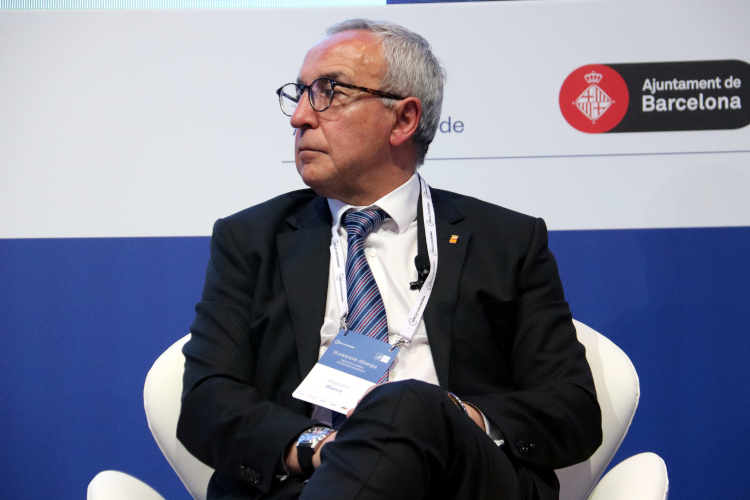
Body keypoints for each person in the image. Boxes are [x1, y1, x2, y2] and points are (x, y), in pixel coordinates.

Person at [177, 19, 602, 500]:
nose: (299, 117)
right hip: (308, 482)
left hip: (460, 483)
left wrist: (455, 418)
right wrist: (322, 446)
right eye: (298, 94)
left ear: (402, 120)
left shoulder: (504, 241)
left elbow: (571, 408)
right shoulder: (251, 239)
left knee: (408, 406)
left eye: (328, 92)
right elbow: (206, 400)